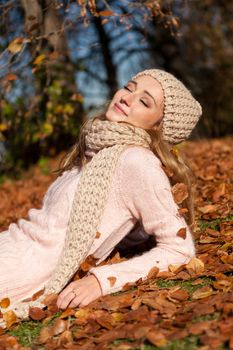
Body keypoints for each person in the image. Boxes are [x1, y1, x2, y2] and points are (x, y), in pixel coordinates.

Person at [0, 69, 202, 320]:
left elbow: (179, 249)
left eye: (144, 101)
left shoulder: (136, 162)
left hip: (19, 269)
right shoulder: (97, 150)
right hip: (10, 246)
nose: (127, 97)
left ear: (158, 125)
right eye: (130, 87)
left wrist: (101, 281)